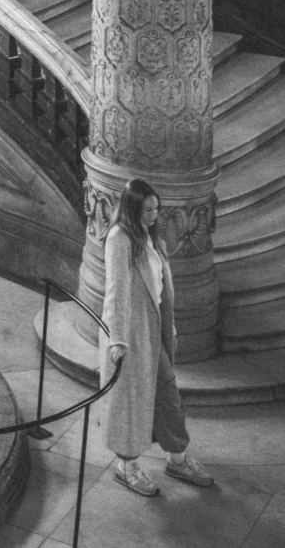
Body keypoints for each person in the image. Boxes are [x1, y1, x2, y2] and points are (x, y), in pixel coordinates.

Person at [101, 178, 213, 495]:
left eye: (156, 208)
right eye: (149, 208)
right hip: (132, 334)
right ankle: (127, 466)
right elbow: (115, 291)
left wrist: (169, 327)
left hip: (153, 329)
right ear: (134, 207)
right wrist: (118, 339)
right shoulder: (120, 238)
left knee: (167, 396)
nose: (155, 214)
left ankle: (177, 459)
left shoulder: (150, 237)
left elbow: (160, 289)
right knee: (131, 403)